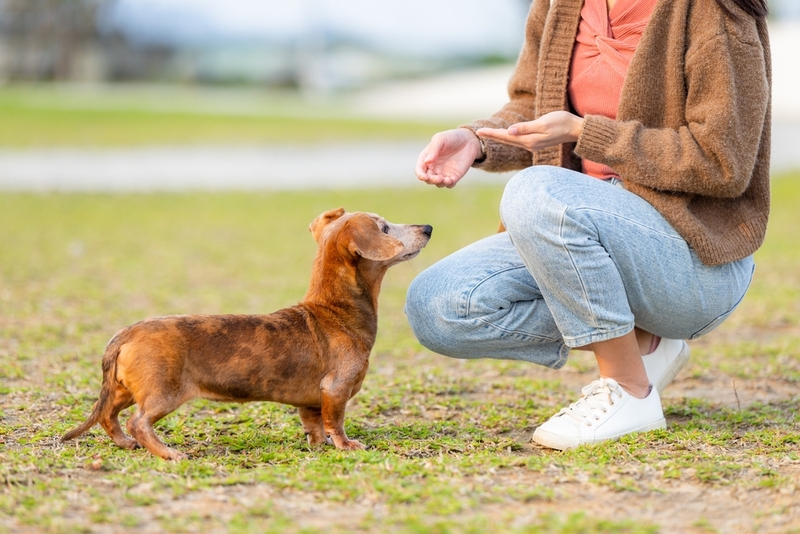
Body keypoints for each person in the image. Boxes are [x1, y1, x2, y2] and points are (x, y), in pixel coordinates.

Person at [406, 0, 771, 450]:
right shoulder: (560, 5)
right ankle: (643, 345)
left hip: (694, 258)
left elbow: (723, 162)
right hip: (576, 230)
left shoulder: (712, 11)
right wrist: (478, 139)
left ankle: (628, 390)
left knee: (537, 191)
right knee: (439, 306)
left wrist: (585, 133)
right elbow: (530, 108)